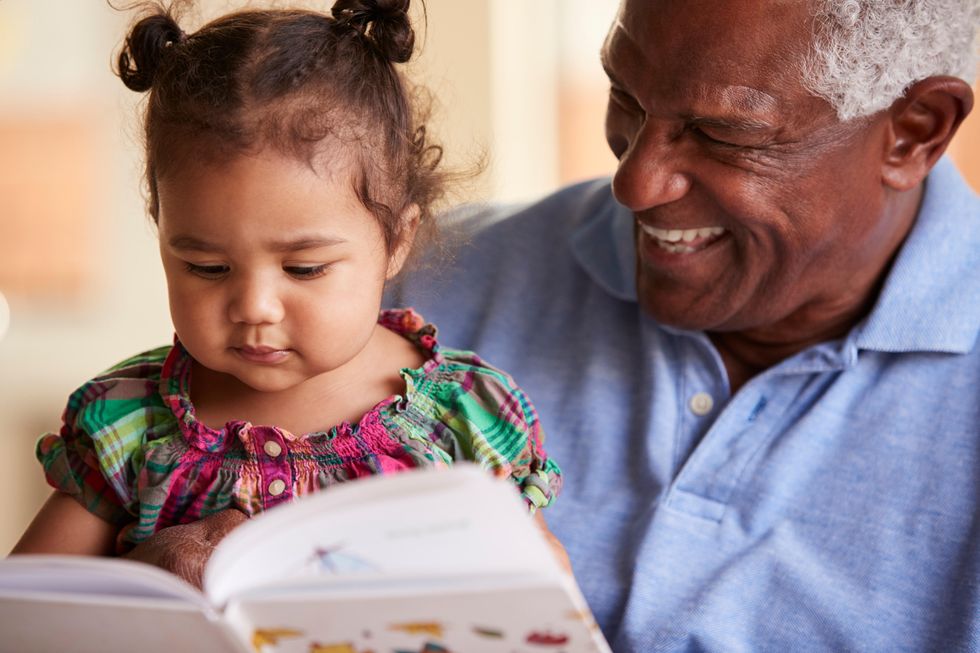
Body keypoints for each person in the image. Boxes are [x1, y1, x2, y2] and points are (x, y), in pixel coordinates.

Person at [391, 0, 980, 651]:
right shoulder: (415, 293)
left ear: (915, 131)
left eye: (724, 134)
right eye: (625, 96)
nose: (634, 184)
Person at [10, 0, 562, 582]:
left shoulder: (465, 419)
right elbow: (29, 615)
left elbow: (545, 595)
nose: (254, 307)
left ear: (396, 240)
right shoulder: (128, 426)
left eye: (304, 269)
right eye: (206, 266)